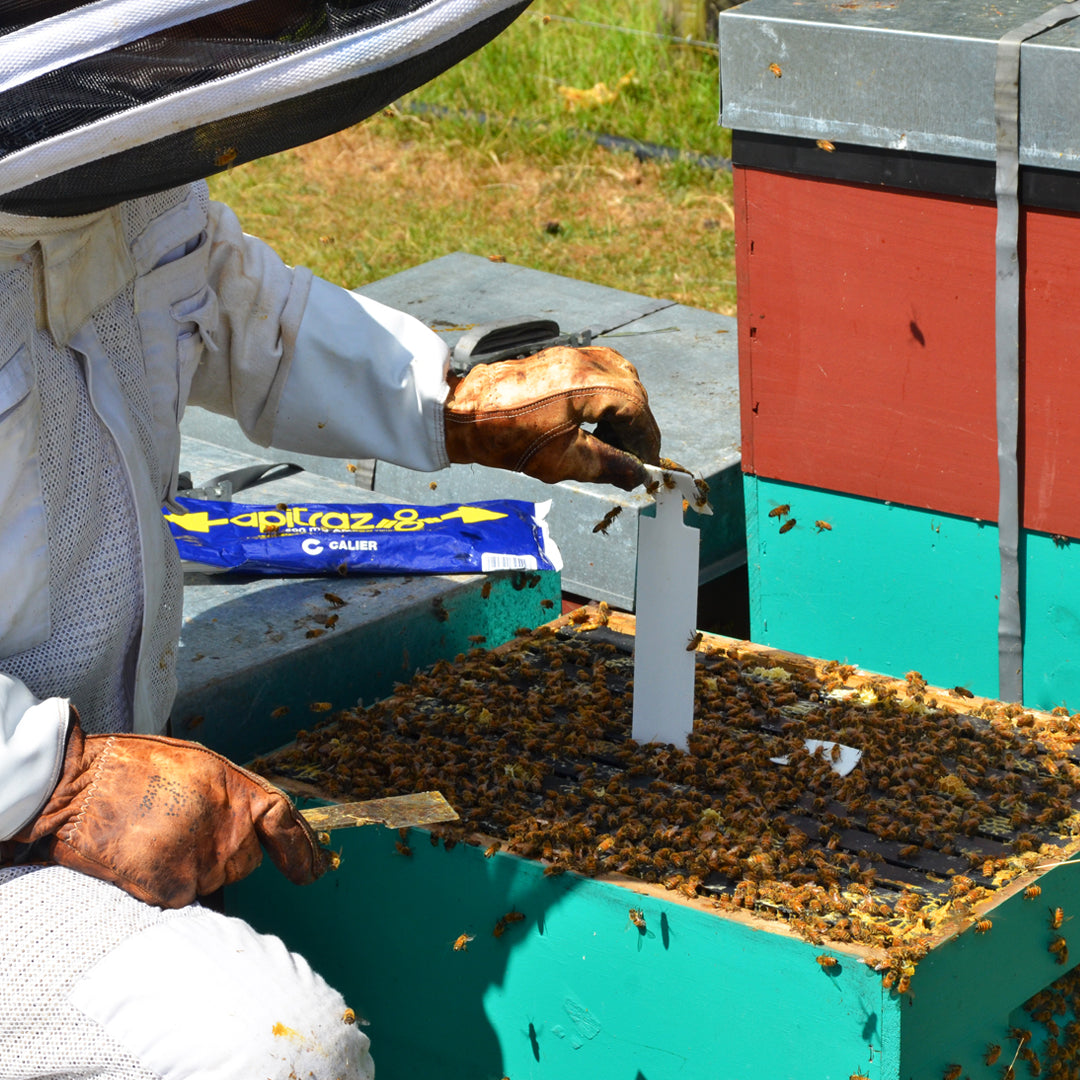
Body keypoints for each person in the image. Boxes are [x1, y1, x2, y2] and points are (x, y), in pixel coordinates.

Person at [0, 10, 663, 1077]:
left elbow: (222, 294)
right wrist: (52, 782)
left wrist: (449, 401)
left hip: (86, 773)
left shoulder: (103, 165)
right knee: (263, 1049)